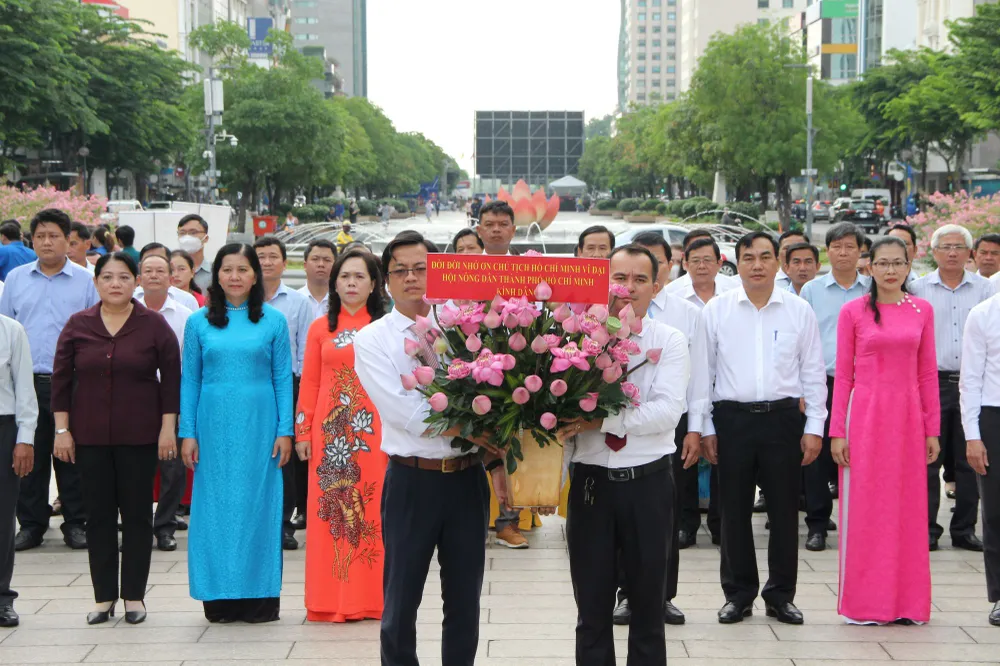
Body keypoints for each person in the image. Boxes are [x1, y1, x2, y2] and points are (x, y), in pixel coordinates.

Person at [354, 231, 493, 665]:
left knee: (465, 599)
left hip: (468, 479)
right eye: (401, 271)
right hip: (413, 480)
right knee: (401, 598)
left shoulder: (466, 330)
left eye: (421, 268)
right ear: (386, 280)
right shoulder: (373, 339)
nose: (412, 278)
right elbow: (403, 412)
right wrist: (474, 431)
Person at [559, 244, 689, 666]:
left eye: (638, 280)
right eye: (619, 278)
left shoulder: (668, 340)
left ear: (657, 285)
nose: (627, 289)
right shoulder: (574, 342)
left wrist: (601, 421)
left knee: (648, 608)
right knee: (591, 608)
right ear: (604, 282)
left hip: (647, 485)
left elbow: (668, 411)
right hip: (592, 485)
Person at [702, 231, 827, 626]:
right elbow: (703, 374)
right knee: (733, 511)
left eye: (765, 257)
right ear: (735, 264)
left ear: (778, 263)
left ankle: (780, 595)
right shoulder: (717, 310)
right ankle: (738, 595)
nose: (757, 265)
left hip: (783, 420)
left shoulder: (797, 310)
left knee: (784, 511)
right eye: (748, 258)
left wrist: (815, 425)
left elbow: (813, 372)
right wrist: (704, 426)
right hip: (732, 420)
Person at [52, 252, 181, 625]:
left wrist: (167, 429)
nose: (115, 284)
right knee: (99, 517)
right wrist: (62, 430)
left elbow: (171, 382)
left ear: (135, 281)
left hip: (139, 436)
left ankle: (135, 597)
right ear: (96, 283)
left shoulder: (154, 326)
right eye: (107, 277)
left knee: (138, 516)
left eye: (123, 277)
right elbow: (60, 381)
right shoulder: (78, 325)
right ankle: (104, 597)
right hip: (89, 436)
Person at [179, 244, 293, 623]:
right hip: (212, 427)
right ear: (216, 275)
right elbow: (190, 380)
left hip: (261, 427)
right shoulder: (197, 323)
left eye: (243, 269)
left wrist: (285, 430)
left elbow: (281, 379)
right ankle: (218, 596)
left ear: (255, 275)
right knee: (215, 508)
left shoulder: (274, 321)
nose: (234, 277)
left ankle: (260, 597)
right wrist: (188, 431)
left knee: (260, 505)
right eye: (227, 269)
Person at [830, 236, 940, 624]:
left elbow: (928, 373)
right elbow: (843, 375)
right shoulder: (854, 312)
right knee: (866, 510)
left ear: (909, 267)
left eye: (898, 263)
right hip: (865, 417)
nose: (891, 270)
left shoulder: (922, 310)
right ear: (869, 267)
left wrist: (932, 428)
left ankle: (907, 603)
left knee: (908, 510)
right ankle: (866, 603)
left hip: (909, 418)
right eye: (883, 263)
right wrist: (837, 432)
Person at [616, 231, 708, 628]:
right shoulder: (595, 319)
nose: (632, 285)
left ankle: (662, 595)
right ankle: (625, 596)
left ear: (663, 273)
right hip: (608, 450)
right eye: (624, 276)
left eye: (645, 272)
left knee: (664, 523)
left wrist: (697, 428)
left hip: (667, 430)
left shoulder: (685, 313)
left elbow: (701, 373)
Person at [295, 247, 388, 622]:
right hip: (330, 439)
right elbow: (311, 384)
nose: (351, 283)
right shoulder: (321, 328)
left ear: (374, 284)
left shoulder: (383, 326)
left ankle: (369, 599)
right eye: (345, 276)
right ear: (334, 283)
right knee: (330, 514)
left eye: (359, 277)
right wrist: (303, 431)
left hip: (373, 434)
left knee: (371, 513)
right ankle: (329, 599)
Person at [0, 209, 99, 552]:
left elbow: (96, 331)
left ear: (68, 240)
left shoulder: (87, 281)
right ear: (32, 240)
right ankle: (31, 523)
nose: (46, 242)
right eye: (40, 236)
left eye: (54, 236)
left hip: (73, 381)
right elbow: (6, 330)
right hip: (26, 381)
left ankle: (76, 522)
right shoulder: (15, 279)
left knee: (72, 454)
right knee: (30, 452)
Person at [910, 224, 996, 552]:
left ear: (969, 252)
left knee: (969, 458)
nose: (952, 252)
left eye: (959, 247)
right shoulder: (917, 289)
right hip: (931, 383)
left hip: (974, 385)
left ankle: (964, 529)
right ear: (932, 252)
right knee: (928, 459)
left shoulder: (985, 290)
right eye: (945, 246)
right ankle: (927, 530)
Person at [797, 222, 870, 552]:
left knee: (862, 454)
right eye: (837, 246)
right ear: (828, 251)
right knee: (816, 453)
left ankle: (862, 524)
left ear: (860, 251)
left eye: (850, 246)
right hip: (822, 381)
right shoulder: (812, 290)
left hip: (864, 385)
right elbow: (802, 342)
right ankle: (817, 524)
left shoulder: (872, 289)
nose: (843, 252)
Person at [254, 236, 314, 550]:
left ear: (284, 262)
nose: (266, 262)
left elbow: (305, 349)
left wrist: (301, 393)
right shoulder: (237, 301)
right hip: (249, 386)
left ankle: (283, 524)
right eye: (260, 256)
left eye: (272, 256)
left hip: (287, 385)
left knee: (284, 457)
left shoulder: (297, 303)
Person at [136, 252, 193, 552]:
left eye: (161, 270)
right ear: (139, 277)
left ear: (171, 277)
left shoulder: (184, 315)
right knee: (137, 467)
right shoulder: (127, 311)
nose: (155, 275)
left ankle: (166, 526)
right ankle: (138, 526)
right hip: (136, 398)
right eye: (149, 271)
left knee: (172, 467)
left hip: (174, 395)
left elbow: (191, 363)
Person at [959, 291, 1000, 627]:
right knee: (996, 511)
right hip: (994, 416)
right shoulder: (983, 314)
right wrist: (972, 436)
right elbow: (970, 379)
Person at [0, 311, 37, 628]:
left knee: (2, 517)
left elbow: (25, 388)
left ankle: (1, 598)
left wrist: (25, 438)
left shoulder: (11, 330)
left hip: (3, 427)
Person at [134, 244, 199, 312]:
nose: (154, 275)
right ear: (140, 266)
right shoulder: (130, 298)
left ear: (170, 265)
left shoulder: (187, 300)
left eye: (160, 270)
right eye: (148, 270)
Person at [176, 214, 213, 291]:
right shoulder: (169, 271)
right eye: (182, 233)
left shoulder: (215, 272)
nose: (187, 237)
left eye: (193, 232)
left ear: (206, 238)